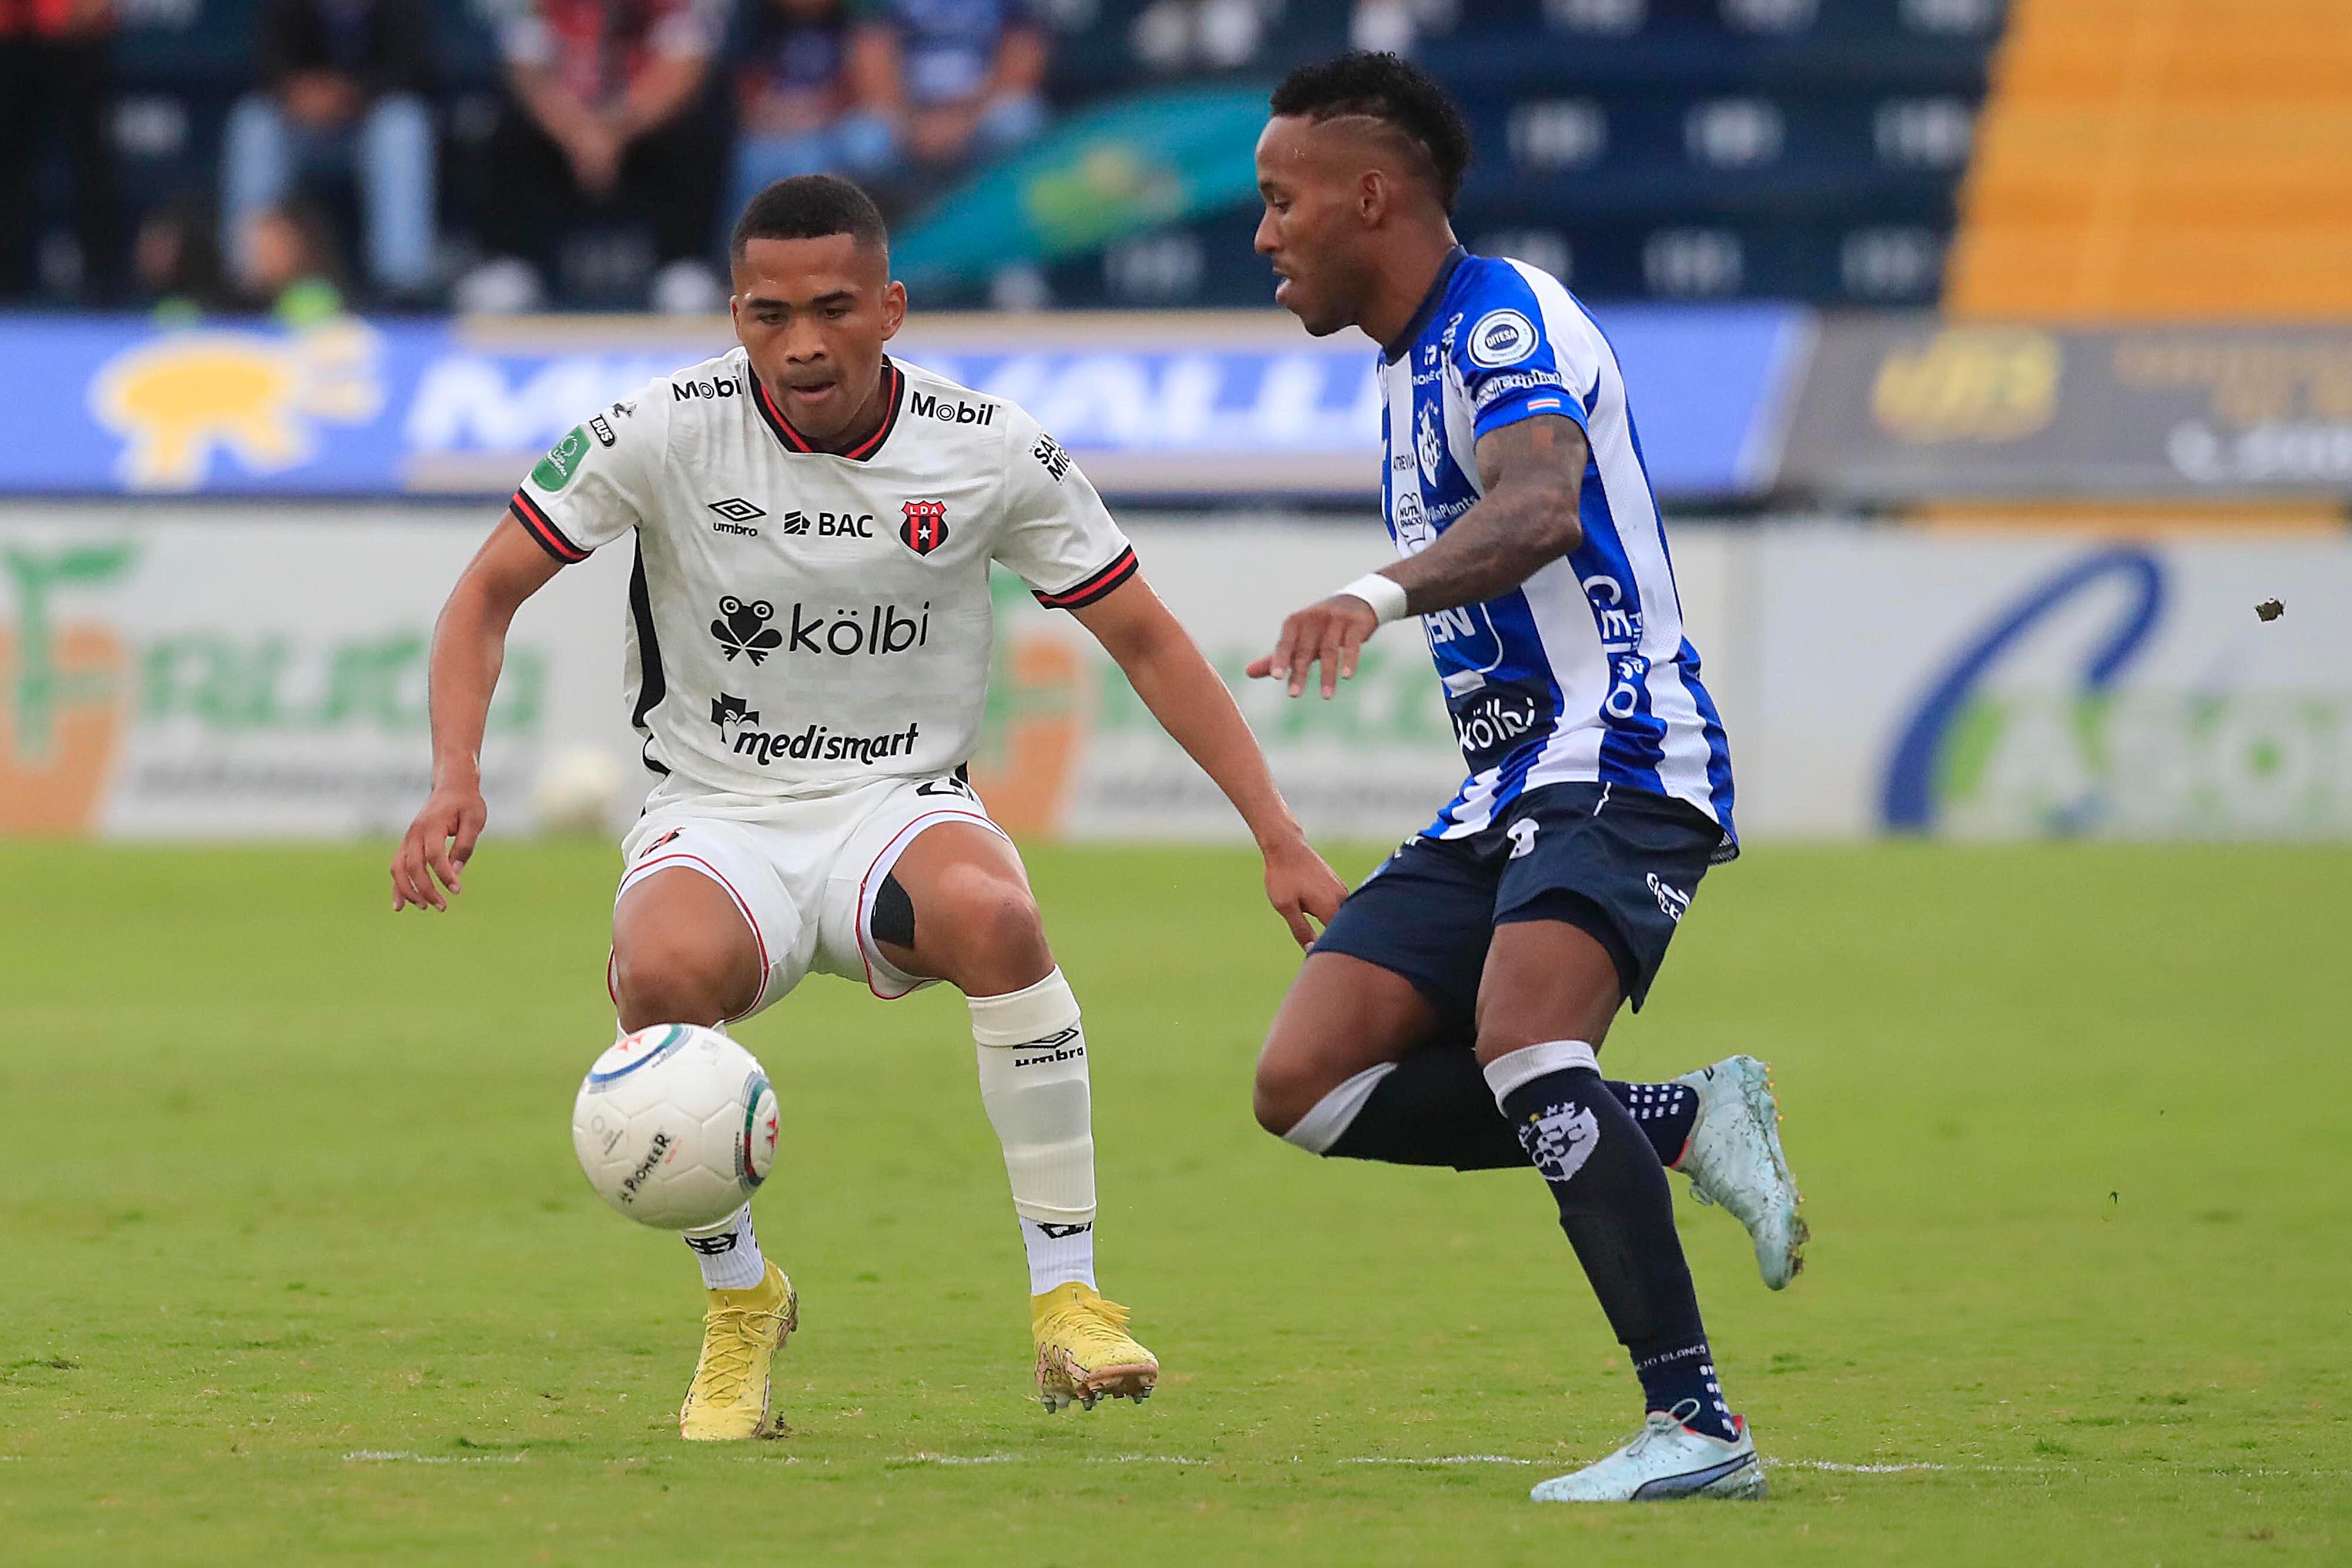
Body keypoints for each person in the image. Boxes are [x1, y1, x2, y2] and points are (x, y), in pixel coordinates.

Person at [391, 174, 1346, 1439]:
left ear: (889, 308)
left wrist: (1276, 832)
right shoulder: (660, 430)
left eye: (833, 309)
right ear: (735, 314)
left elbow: (1148, 639)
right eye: (769, 314)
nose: (801, 343)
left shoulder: (988, 446)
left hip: (897, 803)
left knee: (999, 917)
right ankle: (741, 1302)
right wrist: (455, 772)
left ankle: (1069, 1300)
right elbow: (484, 593)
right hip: (717, 812)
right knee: (658, 973)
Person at [1244, 53, 1805, 1503]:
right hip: (1505, 784)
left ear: (1372, 196)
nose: (1263, 233)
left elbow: (1541, 506)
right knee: (1305, 1082)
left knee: (1527, 1045)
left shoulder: (1502, 320)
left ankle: (1696, 1425)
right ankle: (1678, 1119)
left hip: (1621, 743)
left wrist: (1369, 595)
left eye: (1282, 201)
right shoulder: (1400, 364)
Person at [460, 0, 729, 314]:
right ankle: (512, 263)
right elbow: (526, 71)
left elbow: (685, 67)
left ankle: (683, 266)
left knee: (695, 128)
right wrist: (579, 134)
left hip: (640, 129)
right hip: (565, 130)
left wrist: (616, 132)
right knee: (506, 126)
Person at [220, 0, 438, 303]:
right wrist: (299, 93)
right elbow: (267, 63)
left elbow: (413, 70)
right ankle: (248, 278)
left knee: (403, 124)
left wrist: (350, 96)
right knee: (254, 122)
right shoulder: (285, 8)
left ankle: (402, 284)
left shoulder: (400, 8)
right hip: (298, 127)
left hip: (369, 125)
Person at [726, 0, 894, 219]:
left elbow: (867, 93)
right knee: (758, 158)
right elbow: (748, 101)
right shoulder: (754, 17)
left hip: (832, 127)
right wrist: (788, 117)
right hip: (775, 130)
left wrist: (814, 112)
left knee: (869, 140)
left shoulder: (853, 13)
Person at [846, 0, 1048, 179]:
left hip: (982, 111)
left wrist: (965, 120)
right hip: (906, 116)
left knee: (1019, 122)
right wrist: (913, 123)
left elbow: (1023, 51)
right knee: (864, 143)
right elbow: (871, 52)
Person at [0, 0, 119, 301]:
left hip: (77, 33)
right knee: (8, 165)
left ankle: (103, 281)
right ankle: (7, 277)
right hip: (13, 33)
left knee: (91, 164)